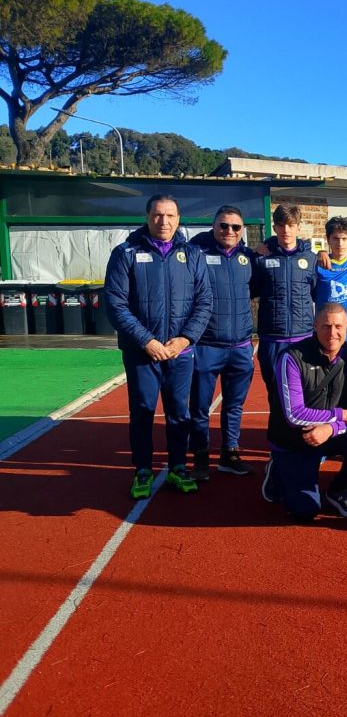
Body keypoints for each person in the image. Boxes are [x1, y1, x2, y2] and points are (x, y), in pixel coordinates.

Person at [104, 194, 212, 499]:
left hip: (180, 352)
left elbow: (204, 302)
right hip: (142, 353)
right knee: (142, 412)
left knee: (179, 413)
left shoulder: (192, 254)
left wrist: (185, 339)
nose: (164, 221)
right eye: (157, 215)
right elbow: (115, 304)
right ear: (147, 217)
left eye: (170, 215)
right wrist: (147, 341)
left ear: (178, 219)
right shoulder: (125, 253)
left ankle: (178, 467)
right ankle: (142, 469)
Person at [262, 303, 347, 521]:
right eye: (326, 326)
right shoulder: (292, 357)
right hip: (294, 439)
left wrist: (330, 428)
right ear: (315, 326)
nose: (332, 333)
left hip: (328, 433)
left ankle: (338, 490)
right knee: (305, 510)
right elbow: (294, 415)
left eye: (338, 327)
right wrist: (341, 415)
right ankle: (277, 470)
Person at [187, 205, 256, 479]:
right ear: (213, 227)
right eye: (223, 225)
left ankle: (230, 454)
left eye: (236, 227)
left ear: (242, 230)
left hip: (240, 347)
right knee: (200, 407)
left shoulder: (248, 258)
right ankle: (200, 458)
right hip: (207, 345)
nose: (229, 231)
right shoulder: (196, 254)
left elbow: (257, 289)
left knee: (234, 406)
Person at [251, 204, 317, 396]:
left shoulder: (311, 259)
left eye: (291, 225)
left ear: (298, 227)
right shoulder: (262, 258)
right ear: (275, 227)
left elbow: (316, 294)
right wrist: (254, 252)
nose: (286, 230)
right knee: (275, 395)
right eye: (281, 225)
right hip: (272, 339)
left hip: (303, 339)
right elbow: (250, 291)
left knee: (304, 395)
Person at [313, 216, 347, 346]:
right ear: (328, 240)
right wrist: (320, 252)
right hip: (326, 334)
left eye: (344, 239)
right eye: (336, 239)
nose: (340, 244)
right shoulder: (317, 264)